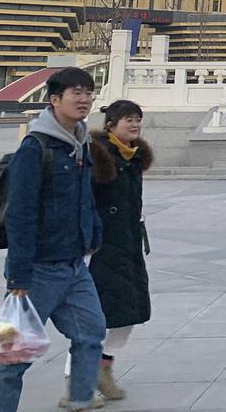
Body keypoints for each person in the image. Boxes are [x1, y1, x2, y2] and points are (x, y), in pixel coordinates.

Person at [0, 67, 105, 412]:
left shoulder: (81, 143)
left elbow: (87, 198)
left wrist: (92, 236)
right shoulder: (35, 148)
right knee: (13, 357)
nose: (84, 99)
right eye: (76, 93)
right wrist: (18, 276)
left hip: (74, 265)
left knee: (91, 334)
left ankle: (80, 400)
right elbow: (20, 214)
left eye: (88, 92)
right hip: (37, 270)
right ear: (54, 100)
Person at [62, 100, 153, 406]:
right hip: (101, 247)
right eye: (128, 119)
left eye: (138, 119)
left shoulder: (133, 157)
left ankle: (103, 368)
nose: (135, 124)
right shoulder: (97, 155)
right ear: (111, 124)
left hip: (126, 244)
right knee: (94, 318)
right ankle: (75, 382)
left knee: (128, 313)